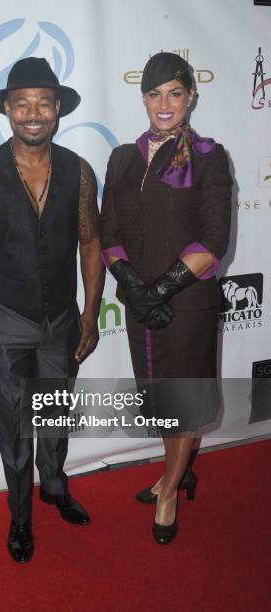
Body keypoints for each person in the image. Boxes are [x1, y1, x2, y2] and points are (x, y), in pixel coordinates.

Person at [0, 57, 104, 563]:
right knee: (17, 427)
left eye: (43, 103)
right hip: (11, 324)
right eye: (23, 104)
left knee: (56, 414)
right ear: (8, 111)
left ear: (58, 109)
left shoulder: (79, 171)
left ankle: (55, 487)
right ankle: (20, 516)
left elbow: (91, 244)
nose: (33, 113)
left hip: (63, 320)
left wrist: (90, 313)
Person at [100, 52, 232, 544]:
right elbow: (107, 228)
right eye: (154, 93)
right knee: (159, 397)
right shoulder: (123, 157)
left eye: (174, 92)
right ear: (143, 98)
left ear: (191, 96)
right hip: (140, 304)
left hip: (188, 302)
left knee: (185, 400)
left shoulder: (210, 156)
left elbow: (214, 239)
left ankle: (171, 490)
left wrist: (162, 288)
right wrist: (133, 285)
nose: (163, 103)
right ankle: (174, 470)